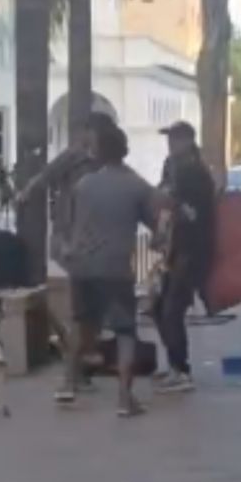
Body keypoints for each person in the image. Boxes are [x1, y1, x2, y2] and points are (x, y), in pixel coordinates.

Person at [65, 117, 167, 417]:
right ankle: (124, 398)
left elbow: (74, 224)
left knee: (80, 324)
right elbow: (156, 228)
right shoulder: (136, 185)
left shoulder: (84, 184)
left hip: (82, 266)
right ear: (125, 150)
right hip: (115, 269)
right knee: (124, 331)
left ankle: (67, 384)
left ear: (98, 151)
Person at [15, 111, 102, 399]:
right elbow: (44, 177)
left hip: (93, 242)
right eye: (89, 131)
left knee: (90, 314)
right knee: (80, 311)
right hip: (71, 240)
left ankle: (80, 369)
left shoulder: (104, 162)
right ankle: (71, 377)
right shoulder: (73, 157)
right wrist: (26, 193)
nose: (90, 137)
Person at [153, 122, 215, 393]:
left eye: (176, 138)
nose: (170, 143)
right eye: (169, 138)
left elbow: (191, 212)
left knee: (171, 309)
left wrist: (171, 205)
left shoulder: (194, 172)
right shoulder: (173, 167)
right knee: (160, 307)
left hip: (191, 248)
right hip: (175, 247)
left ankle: (181, 370)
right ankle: (175, 364)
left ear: (188, 141)